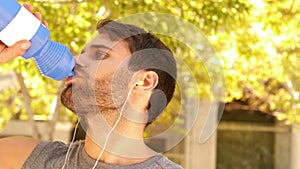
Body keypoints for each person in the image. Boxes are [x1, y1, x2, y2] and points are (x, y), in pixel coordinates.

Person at [0, 4, 183, 169]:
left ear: (144, 82)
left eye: (100, 55)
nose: (77, 60)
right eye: (81, 53)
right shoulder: (20, 158)